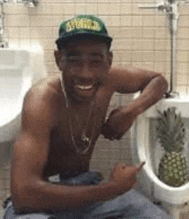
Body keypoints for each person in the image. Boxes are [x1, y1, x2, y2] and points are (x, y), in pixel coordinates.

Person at [3, 14, 171, 219]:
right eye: (74, 60)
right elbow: (24, 196)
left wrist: (130, 111)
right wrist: (111, 189)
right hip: (41, 203)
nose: (86, 73)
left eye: (95, 60)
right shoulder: (43, 100)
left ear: (109, 61)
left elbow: (158, 81)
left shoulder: (109, 79)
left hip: (87, 188)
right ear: (59, 60)